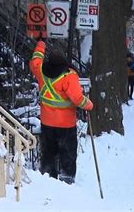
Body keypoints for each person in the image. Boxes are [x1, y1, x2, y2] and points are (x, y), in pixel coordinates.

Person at [29, 37, 93, 184]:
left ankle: (47, 177)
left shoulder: (41, 71)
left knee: (49, 152)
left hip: (47, 122)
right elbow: (77, 98)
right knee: (67, 154)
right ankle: (67, 179)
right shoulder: (69, 76)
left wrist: (40, 44)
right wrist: (89, 105)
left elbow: (35, 60)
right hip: (66, 125)